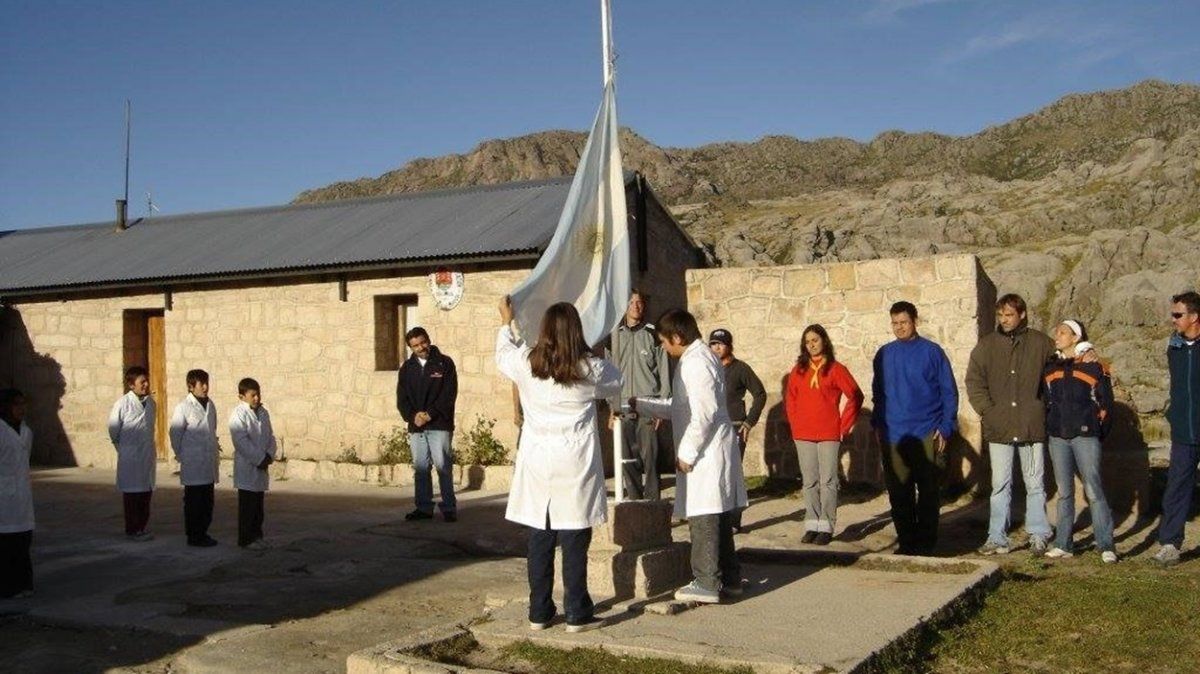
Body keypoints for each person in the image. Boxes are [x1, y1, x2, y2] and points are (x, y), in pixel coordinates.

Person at [497, 297, 621, 633]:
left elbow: (503, 353)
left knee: (540, 536)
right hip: (574, 462)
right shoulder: (589, 369)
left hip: (538, 460)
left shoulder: (526, 363)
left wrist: (507, 322)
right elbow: (616, 380)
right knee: (574, 536)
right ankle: (577, 612)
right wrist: (589, 349)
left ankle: (539, 612)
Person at [635, 309, 748, 604]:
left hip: (706, 452)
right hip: (709, 449)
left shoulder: (696, 363)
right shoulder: (696, 359)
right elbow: (682, 407)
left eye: (663, 341)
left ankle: (707, 581)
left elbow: (705, 412)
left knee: (704, 517)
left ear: (676, 337)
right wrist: (643, 406)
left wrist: (686, 453)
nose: (662, 347)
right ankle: (730, 579)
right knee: (718, 517)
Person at [966, 293, 1056, 555]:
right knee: (1000, 485)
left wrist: (1043, 406)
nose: (1004, 320)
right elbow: (974, 381)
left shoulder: (1041, 343)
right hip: (1000, 425)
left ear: (1022, 314)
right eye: (1001, 315)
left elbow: (1059, 368)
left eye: (1009, 315)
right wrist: (987, 410)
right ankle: (997, 536)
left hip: (1031, 424)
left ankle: (1038, 533)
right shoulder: (987, 346)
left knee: (1035, 482)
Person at [872, 302, 958, 556]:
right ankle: (907, 543)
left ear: (915, 321)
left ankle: (926, 544)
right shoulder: (884, 354)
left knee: (929, 493)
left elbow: (948, 392)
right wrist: (877, 424)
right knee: (899, 493)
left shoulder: (933, 352)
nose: (899, 327)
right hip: (894, 435)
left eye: (904, 322)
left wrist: (946, 427)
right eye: (895, 323)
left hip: (926, 433)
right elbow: (879, 394)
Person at [1041, 319, 1117, 563]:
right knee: (1065, 493)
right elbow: (1045, 401)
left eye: (1063, 332)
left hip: (1085, 435)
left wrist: (1096, 431)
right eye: (1057, 331)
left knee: (1094, 490)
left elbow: (1106, 404)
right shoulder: (1050, 367)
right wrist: (1050, 425)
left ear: (1075, 337)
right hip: (1058, 436)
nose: (1057, 335)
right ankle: (1064, 543)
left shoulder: (1094, 367)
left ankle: (1106, 544)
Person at [785, 324, 863, 545]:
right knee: (809, 481)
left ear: (824, 341)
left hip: (829, 432)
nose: (811, 345)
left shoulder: (836, 369)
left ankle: (826, 526)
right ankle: (812, 524)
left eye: (815, 340)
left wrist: (843, 426)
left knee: (828, 481)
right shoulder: (798, 370)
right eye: (807, 341)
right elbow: (791, 400)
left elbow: (855, 395)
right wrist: (795, 424)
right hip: (803, 433)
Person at [607, 289, 671, 500]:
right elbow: (608, 374)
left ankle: (653, 503)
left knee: (650, 457)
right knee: (626, 457)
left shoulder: (653, 334)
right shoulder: (613, 336)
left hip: (648, 403)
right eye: (631, 302)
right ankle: (634, 500)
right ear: (624, 306)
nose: (636, 306)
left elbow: (664, 370)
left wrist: (661, 408)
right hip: (622, 404)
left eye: (640, 302)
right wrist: (611, 407)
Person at [1152, 291, 1200, 567]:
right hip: (1183, 430)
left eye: (1178, 315)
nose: (1173, 320)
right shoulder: (1175, 348)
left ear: (1194, 317)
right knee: (1177, 487)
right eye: (1173, 314)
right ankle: (1170, 544)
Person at [396, 327, 458, 522]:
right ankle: (423, 508)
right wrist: (412, 416)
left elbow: (449, 394)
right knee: (421, 468)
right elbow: (402, 398)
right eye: (415, 345)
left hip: (439, 424)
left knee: (443, 466)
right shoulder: (407, 368)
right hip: (417, 427)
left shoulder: (444, 363)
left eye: (423, 342)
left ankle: (449, 508)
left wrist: (429, 414)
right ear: (410, 347)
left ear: (428, 340)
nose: (420, 347)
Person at [708, 328, 766, 534]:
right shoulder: (708, 368)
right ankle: (718, 519)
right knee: (715, 475)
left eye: (720, 344)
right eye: (713, 344)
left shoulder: (741, 369)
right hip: (713, 428)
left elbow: (760, 394)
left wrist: (749, 422)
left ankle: (733, 520)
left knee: (732, 474)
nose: (716, 348)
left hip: (734, 427)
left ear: (729, 346)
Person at [169, 369, 220, 547]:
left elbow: (212, 430)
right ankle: (194, 535)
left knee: (207, 502)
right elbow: (175, 433)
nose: (205, 387)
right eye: (201, 384)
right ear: (191, 387)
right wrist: (183, 455)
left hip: (207, 463)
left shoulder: (210, 405)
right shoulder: (183, 407)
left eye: (207, 383)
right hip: (193, 462)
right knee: (194, 502)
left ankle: (203, 532)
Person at [108, 366, 158, 542]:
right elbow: (114, 430)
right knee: (132, 496)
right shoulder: (122, 404)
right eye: (141, 382)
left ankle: (142, 527)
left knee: (145, 493)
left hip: (146, 456)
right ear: (131, 385)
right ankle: (132, 529)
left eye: (146, 381)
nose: (145, 385)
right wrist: (124, 449)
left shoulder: (151, 403)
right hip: (130, 457)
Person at [229, 377, 277, 550]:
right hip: (248, 467)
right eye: (252, 395)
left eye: (258, 394)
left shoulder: (263, 413)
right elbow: (240, 441)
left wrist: (269, 455)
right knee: (247, 507)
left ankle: (258, 536)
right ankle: (246, 539)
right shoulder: (238, 414)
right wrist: (259, 458)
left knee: (258, 508)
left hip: (262, 465)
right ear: (242, 396)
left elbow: (270, 436)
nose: (256, 398)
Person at [0, 388, 35, 599]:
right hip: (4, 496)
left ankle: (23, 584)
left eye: (23, 404)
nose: (21, 409)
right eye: (16, 405)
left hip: (21, 496)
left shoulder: (26, 432)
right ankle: (7, 586)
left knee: (23, 541)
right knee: (6, 545)